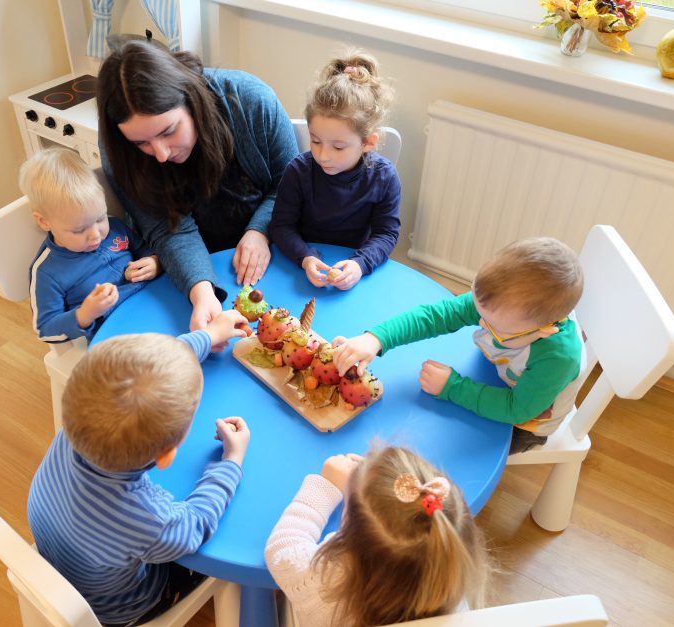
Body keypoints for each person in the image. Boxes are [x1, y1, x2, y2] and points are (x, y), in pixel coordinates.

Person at [28, 314, 251, 627]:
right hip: (123, 608)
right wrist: (231, 462)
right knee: (219, 555)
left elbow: (139, 371)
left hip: (63, 557)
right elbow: (195, 526)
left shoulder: (78, 421)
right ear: (166, 456)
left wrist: (209, 334)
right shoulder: (149, 518)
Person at [97, 34, 299, 335]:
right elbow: (165, 226)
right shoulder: (118, 150)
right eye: (142, 143)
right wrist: (201, 291)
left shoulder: (251, 101)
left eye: (169, 131)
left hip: (272, 253)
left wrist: (259, 230)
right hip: (182, 266)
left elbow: (289, 184)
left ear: (190, 99)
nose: (162, 155)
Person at [333, 237, 586, 454]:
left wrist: (452, 387)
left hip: (525, 422)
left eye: (495, 327)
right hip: (497, 375)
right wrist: (376, 339)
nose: (482, 326)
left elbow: (516, 409)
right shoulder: (502, 307)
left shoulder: (558, 358)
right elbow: (436, 316)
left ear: (545, 330)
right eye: (479, 314)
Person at [265, 446, 489, 627]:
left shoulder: (324, 581)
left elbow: (282, 547)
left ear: (351, 535)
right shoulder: (449, 582)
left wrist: (326, 486)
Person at [269, 50, 401, 290]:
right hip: (298, 268)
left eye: (338, 147)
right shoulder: (298, 171)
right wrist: (305, 257)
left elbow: (386, 233)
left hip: (355, 271)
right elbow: (281, 226)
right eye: (315, 141)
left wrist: (361, 264)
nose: (323, 155)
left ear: (368, 143)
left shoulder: (384, 177)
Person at [21, 148, 160, 343]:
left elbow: (146, 247)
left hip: (152, 303)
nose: (96, 235)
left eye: (100, 218)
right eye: (79, 230)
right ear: (45, 222)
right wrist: (86, 314)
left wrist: (154, 262)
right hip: (115, 335)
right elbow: (45, 329)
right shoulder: (47, 272)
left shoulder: (115, 226)